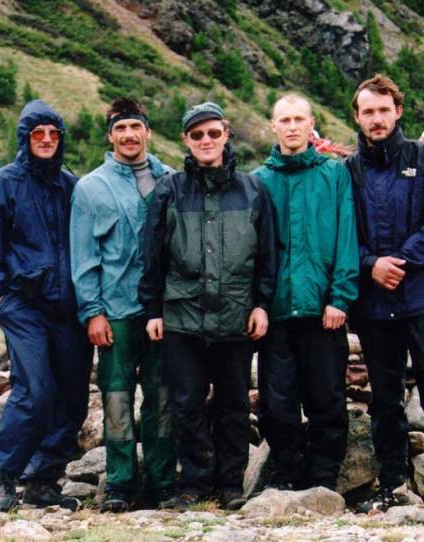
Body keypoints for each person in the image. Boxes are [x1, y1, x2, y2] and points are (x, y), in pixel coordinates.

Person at [138, 102, 277, 511]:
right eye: (197, 134)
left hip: (236, 315)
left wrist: (261, 304)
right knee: (186, 403)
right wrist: (153, 310)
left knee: (235, 404)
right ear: (185, 140)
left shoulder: (253, 190)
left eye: (213, 133)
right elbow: (152, 254)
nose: (206, 140)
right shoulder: (169, 190)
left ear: (226, 135)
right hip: (181, 316)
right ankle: (195, 483)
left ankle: (231, 484)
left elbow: (267, 255)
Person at [344, 75, 424, 519]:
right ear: (357, 117)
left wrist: (399, 260)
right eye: (368, 112)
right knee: (384, 395)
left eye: (384, 110)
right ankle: (392, 482)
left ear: (398, 111)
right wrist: (369, 264)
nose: (377, 119)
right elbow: (340, 232)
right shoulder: (347, 173)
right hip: (374, 302)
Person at [0, 99, 93, 511]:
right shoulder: (2, 182)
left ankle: (44, 480)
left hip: (70, 307)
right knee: (35, 390)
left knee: (73, 396)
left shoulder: (72, 186)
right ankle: (3, 476)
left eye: (52, 134)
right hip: (24, 304)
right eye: (37, 134)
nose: (45, 140)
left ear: (60, 139)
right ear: (25, 138)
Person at [69, 97, 177, 512]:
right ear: (110, 135)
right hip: (114, 311)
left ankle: (161, 481)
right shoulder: (90, 187)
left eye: (135, 127)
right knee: (116, 398)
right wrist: (92, 312)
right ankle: (119, 483)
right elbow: (83, 256)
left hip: (163, 311)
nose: (129, 135)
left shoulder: (171, 179)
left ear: (148, 131)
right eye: (120, 129)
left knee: (161, 395)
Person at [253, 94, 359, 492]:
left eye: (299, 119)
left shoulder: (334, 175)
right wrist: (258, 304)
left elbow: (347, 238)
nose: (292, 126)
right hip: (276, 312)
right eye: (285, 119)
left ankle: (323, 479)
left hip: (322, 310)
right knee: (276, 403)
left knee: (326, 399)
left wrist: (340, 297)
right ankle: (288, 476)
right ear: (274, 126)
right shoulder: (258, 181)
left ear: (311, 124)